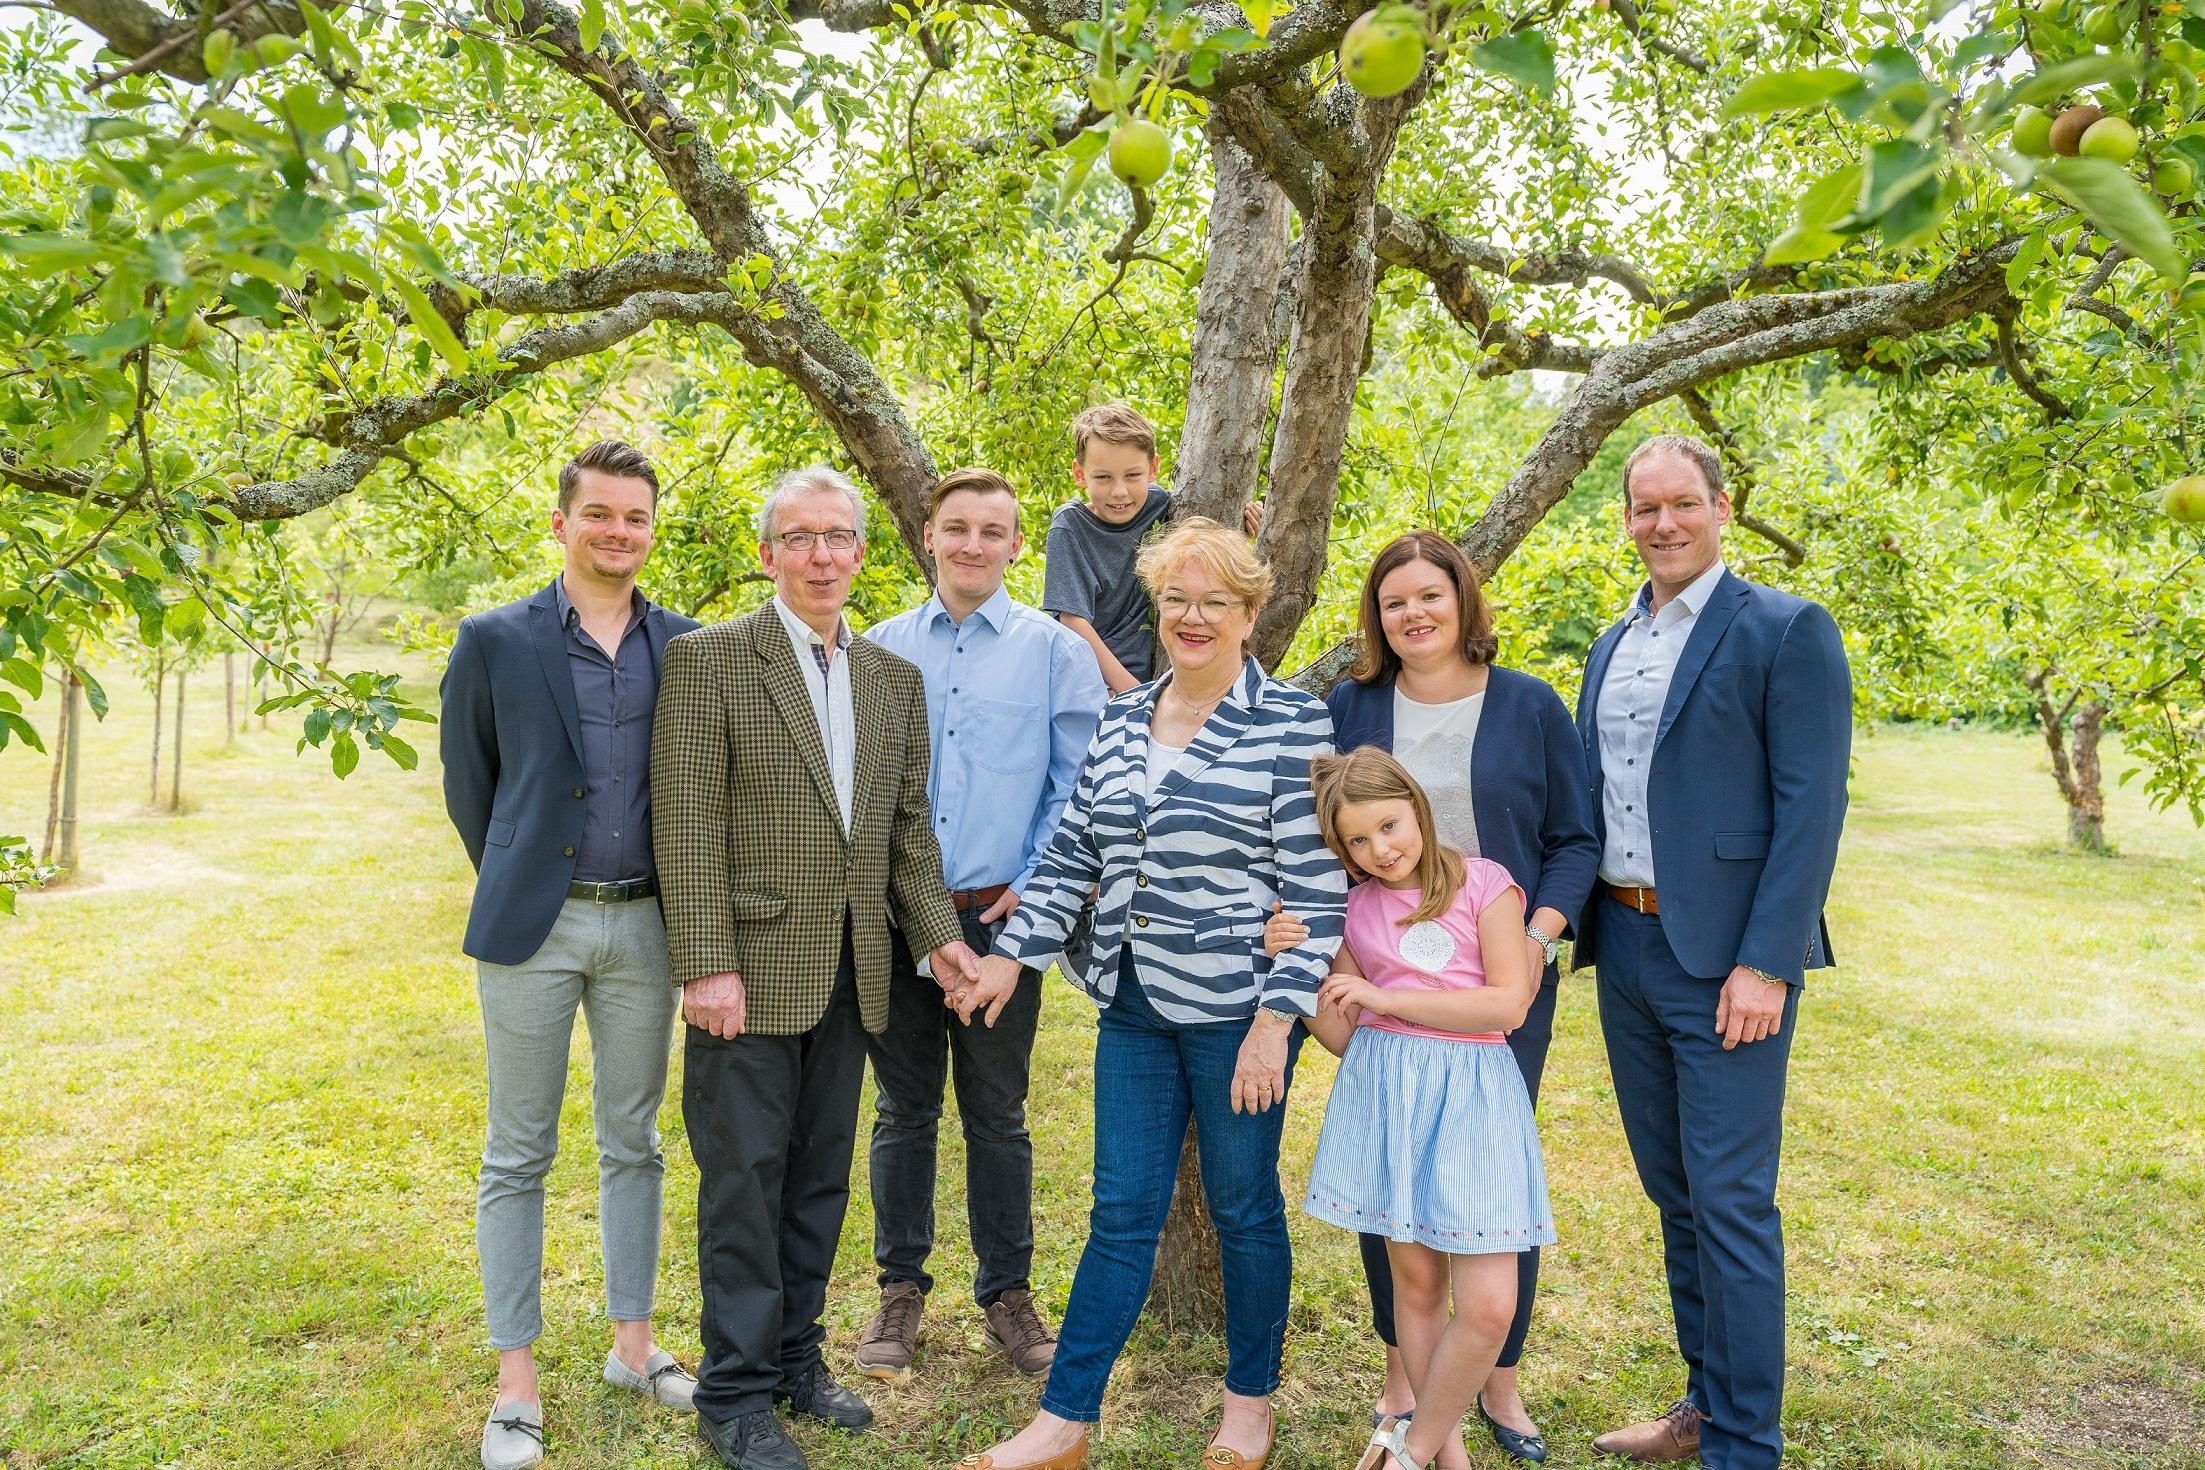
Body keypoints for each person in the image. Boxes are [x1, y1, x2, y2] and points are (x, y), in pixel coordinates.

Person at [948, 518, 1348, 1470]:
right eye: (1176, 600)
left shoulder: (1292, 722)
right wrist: (1011, 957)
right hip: (1131, 1004)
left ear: (1249, 614)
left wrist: (1275, 1023)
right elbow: (1072, 854)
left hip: (1237, 1014)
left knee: (1243, 1207)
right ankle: (1063, 1422)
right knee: (1120, 1212)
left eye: (1215, 601)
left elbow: (1315, 891)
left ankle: (1248, 1402)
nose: (1192, 617)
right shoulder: (1123, 718)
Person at [650, 466, 984, 1470]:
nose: (821, 555)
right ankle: (735, 1393)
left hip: (854, 969)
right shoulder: (709, 660)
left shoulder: (891, 678)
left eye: (837, 537)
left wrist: (938, 935)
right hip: (746, 973)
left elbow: (906, 833)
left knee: (818, 1181)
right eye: (799, 537)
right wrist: (705, 963)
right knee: (743, 1184)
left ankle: (796, 1358)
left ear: (861, 553)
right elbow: (687, 824)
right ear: (768, 555)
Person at [1288, 530, 1598, 1462]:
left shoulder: (1527, 704)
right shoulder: (1351, 706)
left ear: (1463, 600)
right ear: (1375, 618)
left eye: (1429, 594)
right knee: (1396, 1177)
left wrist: (1537, 940)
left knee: (1487, 1181)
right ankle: (1408, 1382)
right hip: (1382, 964)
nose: (1413, 614)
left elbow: (1575, 838)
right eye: (1393, 602)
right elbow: (1326, 831)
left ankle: (1496, 1376)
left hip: (1499, 964)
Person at [1574, 435, 1851, 1469]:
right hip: (1625, 944)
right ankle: (1704, 1402)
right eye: (1645, 508)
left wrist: (1768, 961)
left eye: (1682, 503)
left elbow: (1810, 809)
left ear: (1721, 508)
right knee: (1675, 1191)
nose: (1664, 524)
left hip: (1729, 962)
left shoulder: (1784, 628)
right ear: (1627, 521)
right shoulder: (1611, 643)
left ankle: (1744, 1445)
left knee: (1730, 1201)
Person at [439, 439, 702, 1470]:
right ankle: (516, 1383)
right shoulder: (493, 640)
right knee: (518, 1151)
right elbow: (472, 783)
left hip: (646, 926)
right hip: (533, 929)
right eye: (599, 513)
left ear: (651, 531)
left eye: (635, 516)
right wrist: (524, 876)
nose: (617, 531)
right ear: (562, 523)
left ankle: (633, 1347)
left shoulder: (686, 645)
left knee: (633, 1139)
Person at [855, 468, 1107, 1383]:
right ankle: (899, 1290)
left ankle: (1007, 1295)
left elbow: (1077, 786)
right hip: (898, 918)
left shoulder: (1054, 653)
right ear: (928, 534)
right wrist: (906, 909)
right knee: (903, 1109)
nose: (972, 544)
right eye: (956, 527)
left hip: (1003, 918)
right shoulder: (877, 647)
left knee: (997, 1113)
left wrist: (1034, 890)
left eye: (992, 530)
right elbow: (862, 787)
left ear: (1014, 545)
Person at [1280, 746, 1553, 1470]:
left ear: (1417, 807)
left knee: (1489, 1307)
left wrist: (1385, 997)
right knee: (1419, 1288)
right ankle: (1446, 1457)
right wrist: (1297, 961)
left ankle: (1408, 1451)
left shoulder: (1484, 883)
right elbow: (1345, 1034)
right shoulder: (1352, 911)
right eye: (1356, 841)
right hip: (1389, 1099)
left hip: (1476, 1098)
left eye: (1388, 826)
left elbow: (1508, 1004)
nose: (1379, 850)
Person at [1042, 403, 1262, 694]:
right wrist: (1133, 694)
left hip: (1161, 677)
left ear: (1153, 468)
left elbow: (1200, 553)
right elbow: (1072, 621)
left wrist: (1243, 524)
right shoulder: (1071, 526)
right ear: (1080, 474)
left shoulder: (1163, 505)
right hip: (1094, 681)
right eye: (1103, 477)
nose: (1119, 491)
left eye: (1132, 475)